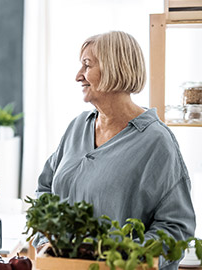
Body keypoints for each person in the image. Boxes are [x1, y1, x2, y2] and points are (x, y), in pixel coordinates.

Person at [34, 31, 195, 269]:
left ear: (114, 68)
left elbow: (176, 227)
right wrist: (45, 236)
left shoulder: (156, 141)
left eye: (87, 66)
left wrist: (126, 259)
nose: (78, 76)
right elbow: (45, 187)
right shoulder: (78, 126)